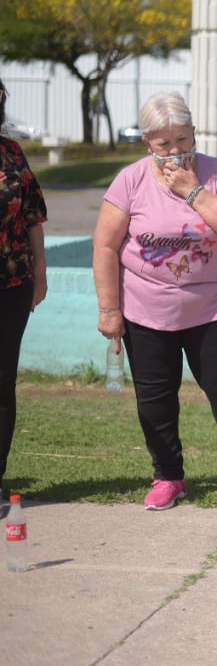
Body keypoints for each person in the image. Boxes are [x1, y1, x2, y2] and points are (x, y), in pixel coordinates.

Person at [92, 91, 217, 512]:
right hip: (145, 311)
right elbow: (105, 246)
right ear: (147, 144)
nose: (175, 151)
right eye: (164, 144)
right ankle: (168, 477)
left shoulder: (215, 172)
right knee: (155, 399)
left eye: (182, 140)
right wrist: (109, 309)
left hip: (211, 308)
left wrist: (194, 191)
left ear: (194, 133)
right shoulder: (131, 180)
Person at [0, 76, 48, 499]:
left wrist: (41, 272)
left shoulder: (11, 153)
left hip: (12, 282)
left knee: (2, 384)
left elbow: (32, 213)